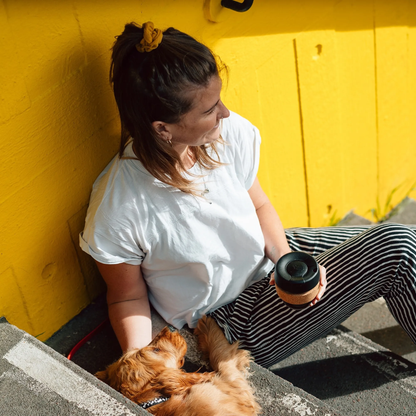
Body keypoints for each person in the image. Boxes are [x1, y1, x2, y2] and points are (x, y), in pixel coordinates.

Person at [80, 21, 416, 368]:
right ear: (163, 128)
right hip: (229, 321)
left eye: (219, 99)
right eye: (209, 110)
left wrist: (286, 263)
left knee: (409, 242)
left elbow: (259, 204)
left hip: (269, 259)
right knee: (396, 247)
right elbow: (127, 297)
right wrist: (141, 363)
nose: (224, 112)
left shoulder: (223, 133)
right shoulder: (119, 206)